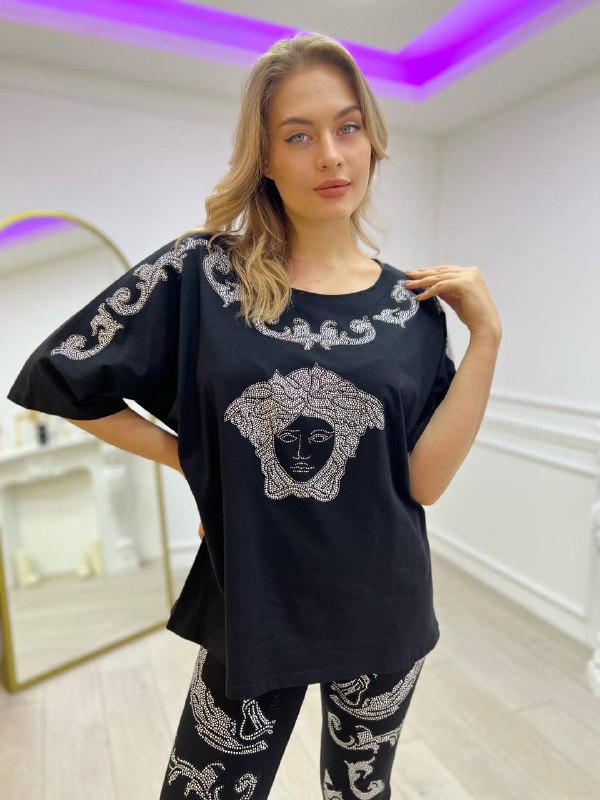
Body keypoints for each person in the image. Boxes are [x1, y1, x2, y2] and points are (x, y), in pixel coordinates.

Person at [7, 32, 502, 800]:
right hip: (254, 602)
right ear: (264, 157)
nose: (330, 155)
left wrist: (487, 338)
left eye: (346, 127)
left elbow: (422, 484)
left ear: (371, 139)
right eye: (298, 136)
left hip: (383, 603)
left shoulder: (414, 308)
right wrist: (194, 456)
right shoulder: (202, 274)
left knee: (358, 793)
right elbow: (60, 377)